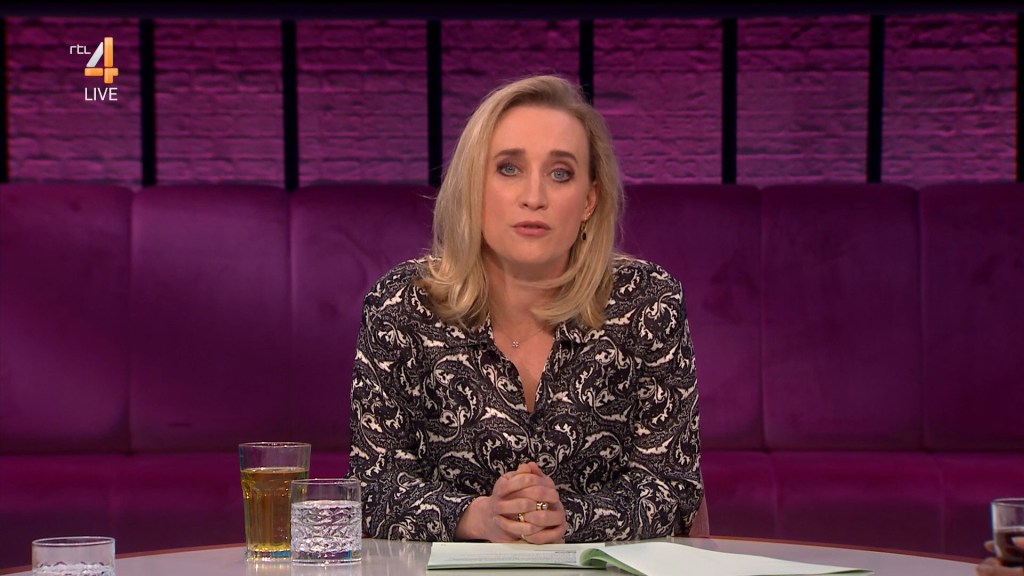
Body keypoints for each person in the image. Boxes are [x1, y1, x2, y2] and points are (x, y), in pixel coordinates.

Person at [347, 73, 703, 544]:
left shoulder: (648, 303)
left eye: (560, 174)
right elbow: (370, 488)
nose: (534, 197)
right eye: (509, 168)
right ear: (474, 187)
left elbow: (673, 490)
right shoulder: (402, 306)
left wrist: (567, 519)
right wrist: (477, 517)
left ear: (589, 201)